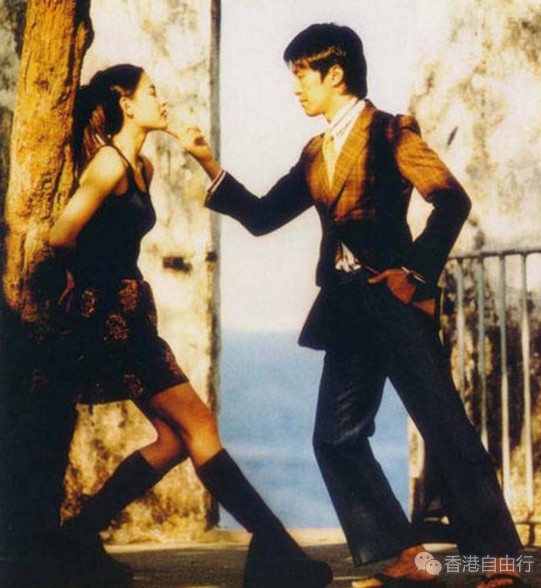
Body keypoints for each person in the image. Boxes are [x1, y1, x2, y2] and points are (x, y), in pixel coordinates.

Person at [182, 23, 525, 588]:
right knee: (335, 437)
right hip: (345, 310)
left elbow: (451, 200)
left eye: (302, 75)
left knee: (445, 428)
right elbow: (264, 216)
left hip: (394, 303)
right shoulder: (315, 152)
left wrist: (414, 274)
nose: (296, 87)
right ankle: (409, 555)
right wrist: (208, 163)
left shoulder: (391, 132)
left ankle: (499, 563)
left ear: (334, 74)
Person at [49, 63, 333, 588]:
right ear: (126, 104)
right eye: (151, 92)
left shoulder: (142, 167)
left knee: (174, 440)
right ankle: (276, 550)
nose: (162, 100)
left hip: (133, 313)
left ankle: (77, 537)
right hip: (110, 314)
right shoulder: (109, 164)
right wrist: (78, 277)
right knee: (200, 426)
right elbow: (62, 233)